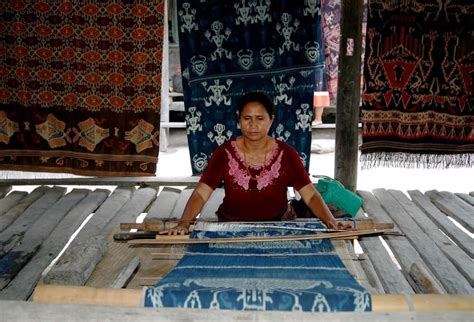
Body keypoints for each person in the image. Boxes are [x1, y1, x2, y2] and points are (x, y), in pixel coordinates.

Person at [169, 91, 350, 235]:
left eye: (260, 119)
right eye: (247, 119)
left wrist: (331, 222)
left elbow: (310, 194)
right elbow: (201, 194)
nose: (253, 125)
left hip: (279, 225)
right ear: (239, 120)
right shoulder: (224, 153)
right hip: (232, 228)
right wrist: (184, 224)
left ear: (271, 120)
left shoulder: (286, 154)